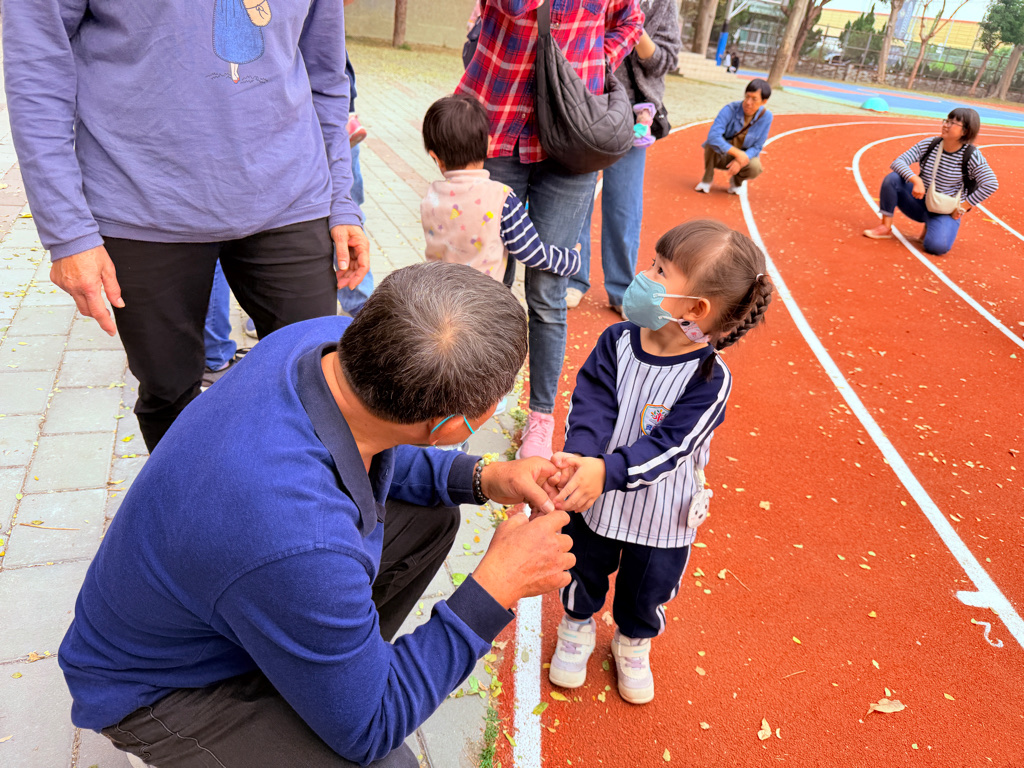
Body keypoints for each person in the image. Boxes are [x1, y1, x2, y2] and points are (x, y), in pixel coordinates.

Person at [58, 263, 576, 767]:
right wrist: (495, 587)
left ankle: (331, 667)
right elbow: (372, 730)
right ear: (447, 426)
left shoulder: (325, 342)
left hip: (232, 585)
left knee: (432, 518)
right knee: (387, 760)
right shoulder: (301, 538)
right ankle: (318, 682)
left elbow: (379, 443)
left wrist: (482, 476)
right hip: (157, 689)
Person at [3, 0, 370, 452]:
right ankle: (188, 496)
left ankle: (300, 497)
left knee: (324, 390)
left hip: (292, 194)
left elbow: (327, 76)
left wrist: (341, 202)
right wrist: (68, 232)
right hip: (140, 201)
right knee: (169, 394)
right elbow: (37, 70)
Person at [545, 220, 773, 704]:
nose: (644, 275)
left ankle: (633, 641)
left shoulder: (709, 378)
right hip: (596, 497)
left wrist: (606, 471)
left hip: (661, 514)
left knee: (647, 587)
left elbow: (672, 445)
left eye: (661, 271)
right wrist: (583, 457)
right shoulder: (618, 341)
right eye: (653, 262)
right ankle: (577, 624)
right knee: (582, 564)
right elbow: (592, 402)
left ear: (695, 309)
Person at [458, 0, 644, 461]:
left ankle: (540, 417)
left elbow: (630, 19)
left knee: (547, 292)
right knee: (486, 282)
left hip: (574, 133)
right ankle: (471, 396)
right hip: (498, 124)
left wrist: (594, 58)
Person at [566, 0, 682, 316]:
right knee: (578, 198)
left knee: (623, 207)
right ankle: (574, 278)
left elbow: (666, 61)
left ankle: (620, 288)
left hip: (635, 117)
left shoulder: (661, 4)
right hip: (588, 106)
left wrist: (633, 25)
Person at [421, 95, 582, 282]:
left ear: (435, 157)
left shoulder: (431, 197)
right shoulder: (501, 198)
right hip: (483, 297)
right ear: (488, 145)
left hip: (438, 292)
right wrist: (570, 260)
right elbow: (529, 251)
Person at [862, 108, 998, 256]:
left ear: (965, 131)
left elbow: (990, 183)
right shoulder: (931, 144)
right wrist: (916, 180)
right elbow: (898, 162)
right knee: (893, 179)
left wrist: (962, 207)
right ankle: (885, 227)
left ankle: (931, 227)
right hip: (919, 202)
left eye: (952, 123)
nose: (945, 125)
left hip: (944, 210)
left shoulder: (971, 156)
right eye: (946, 121)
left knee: (936, 247)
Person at [694, 79, 773, 196]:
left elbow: (757, 147)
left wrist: (742, 158)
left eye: (754, 99)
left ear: (764, 101)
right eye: (747, 96)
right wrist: (737, 154)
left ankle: (737, 182)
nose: (748, 102)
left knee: (755, 167)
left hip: (743, 157)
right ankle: (706, 180)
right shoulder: (730, 109)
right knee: (712, 143)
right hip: (722, 154)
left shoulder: (766, 117)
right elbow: (713, 136)